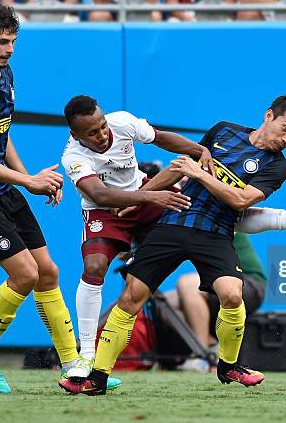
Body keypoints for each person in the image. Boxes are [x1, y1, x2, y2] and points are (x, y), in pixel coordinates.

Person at [58, 94, 286, 395]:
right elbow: (179, 167)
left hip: (216, 231)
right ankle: (97, 375)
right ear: (269, 116)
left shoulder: (278, 167)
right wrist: (142, 198)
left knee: (233, 294)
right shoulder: (224, 130)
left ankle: (228, 365)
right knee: (131, 296)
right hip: (175, 219)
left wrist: (198, 174)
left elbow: (241, 200)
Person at [0, 3, 87, 394]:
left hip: (0, 189)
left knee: (49, 272)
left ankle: (73, 365)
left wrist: (31, 178)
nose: (9, 49)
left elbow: (1, 138)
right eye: (2, 42)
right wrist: (27, 181)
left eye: (13, 42)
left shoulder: (4, 72)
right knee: (24, 273)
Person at [60, 95, 213, 380]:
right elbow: (100, 195)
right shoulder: (73, 157)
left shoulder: (123, 122)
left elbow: (160, 137)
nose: (103, 134)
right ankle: (87, 355)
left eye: (103, 126)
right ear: (75, 134)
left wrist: (199, 150)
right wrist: (151, 196)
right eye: (92, 133)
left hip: (143, 198)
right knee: (94, 267)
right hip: (106, 213)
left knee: (201, 214)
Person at [166, 232, 266, 372]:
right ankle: (212, 345)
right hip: (221, 281)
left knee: (187, 284)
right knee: (166, 302)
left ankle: (202, 357)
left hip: (249, 284)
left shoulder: (213, 218)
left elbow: (178, 244)